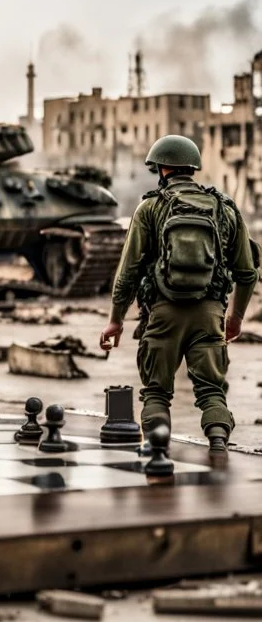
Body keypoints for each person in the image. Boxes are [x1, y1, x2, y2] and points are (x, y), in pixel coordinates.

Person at [99, 134, 257, 453]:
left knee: (156, 392)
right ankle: (218, 444)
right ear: (192, 167)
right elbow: (248, 272)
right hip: (210, 314)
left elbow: (127, 272)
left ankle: (158, 451)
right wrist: (236, 318)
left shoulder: (149, 208)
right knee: (212, 391)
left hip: (163, 314)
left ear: (161, 169)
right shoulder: (225, 208)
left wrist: (115, 320)